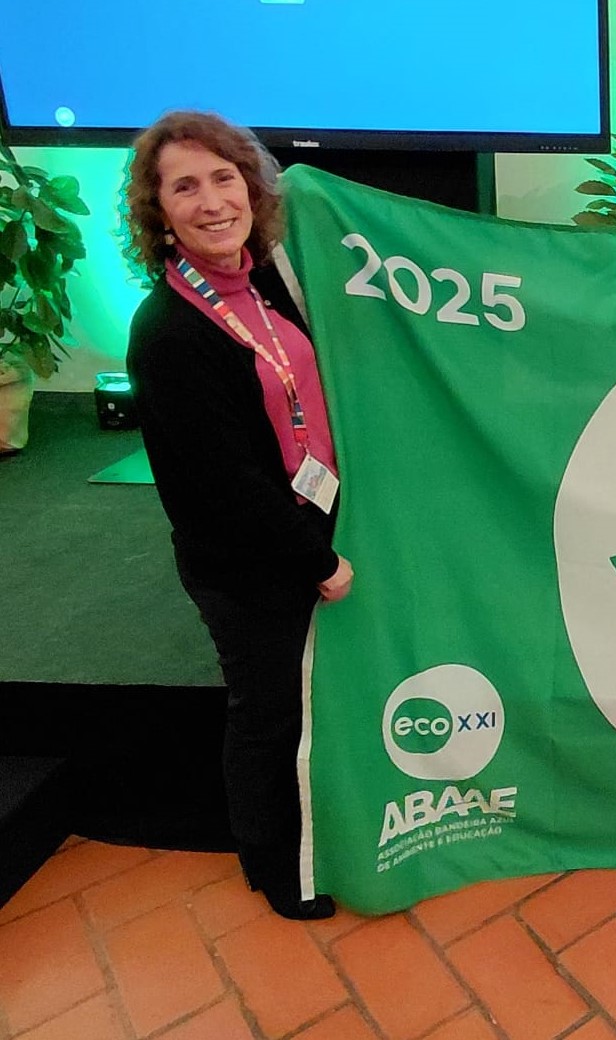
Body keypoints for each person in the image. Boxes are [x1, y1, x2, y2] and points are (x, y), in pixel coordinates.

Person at [123, 111, 352, 920]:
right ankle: (274, 866)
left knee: (298, 704)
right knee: (268, 715)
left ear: (252, 188)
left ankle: (303, 840)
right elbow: (227, 485)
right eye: (185, 187)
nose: (213, 201)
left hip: (298, 530)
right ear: (159, 212)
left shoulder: (260, 286)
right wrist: (317, 561)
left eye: (225, 178)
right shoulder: (169, 331)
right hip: (249, 564)